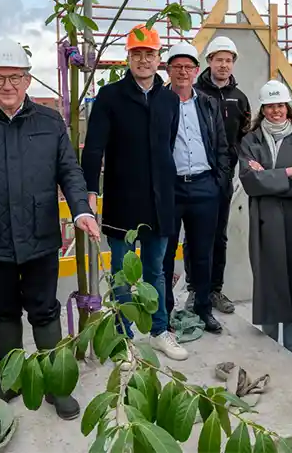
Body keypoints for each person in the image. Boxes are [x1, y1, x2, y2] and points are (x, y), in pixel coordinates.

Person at [0, 38, 100, 420]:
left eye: (15, 77)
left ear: (28, 80)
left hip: (40, 237)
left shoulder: (49, 123)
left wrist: (81, 211)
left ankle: (56, 386)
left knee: (44, 311)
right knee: (5, 311)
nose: (7, 85)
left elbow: (70, 173)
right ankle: (10, 382)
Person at [81, 25, 188, 361]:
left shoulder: (170, 99)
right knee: (123, 273)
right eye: (137, 54)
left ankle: (159, 331)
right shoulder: (110, 97)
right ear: (128, 57)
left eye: (150, 54)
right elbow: (94, 148)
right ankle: (123, 338)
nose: (144, 60)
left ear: (159, 59)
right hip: (122, 199)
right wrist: (89, 192)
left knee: (156, 270)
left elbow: (167, 145)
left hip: (160, 201)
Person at [238, 80, 292, 354]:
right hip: (266, 221)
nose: (276, 111)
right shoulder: (250, 140)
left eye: (280, 105)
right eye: (270, 106)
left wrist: (268, 176)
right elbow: (250, 181)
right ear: (262, 109)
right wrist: (288, 172)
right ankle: (271, 351)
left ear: (287, 107)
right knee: (270, 285)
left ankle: (291, 352)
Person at [162, 43, 230, 335]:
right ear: (168, 70)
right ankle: (163, 313)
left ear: (196, 71)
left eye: (188, 67)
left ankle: (203, 309)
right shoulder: (159, 102)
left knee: (203, 253)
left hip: (204, 185)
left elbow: (222, 145)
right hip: (170, 188)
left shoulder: (207, 103)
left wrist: (220, 181)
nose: (183, 72)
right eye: (177, 67)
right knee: (164, 253)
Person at [190, 35, 251, 314]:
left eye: (229, 60)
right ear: (209, 62)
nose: (224, 65)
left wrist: (240, 168)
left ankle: (214, 289)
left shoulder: (239, 99)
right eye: (219, 59)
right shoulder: (193, 93)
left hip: (224, 176)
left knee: (218, 235)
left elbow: (244, 138)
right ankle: (194, 289)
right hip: (196, 174)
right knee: (194, 234)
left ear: (233, 64)